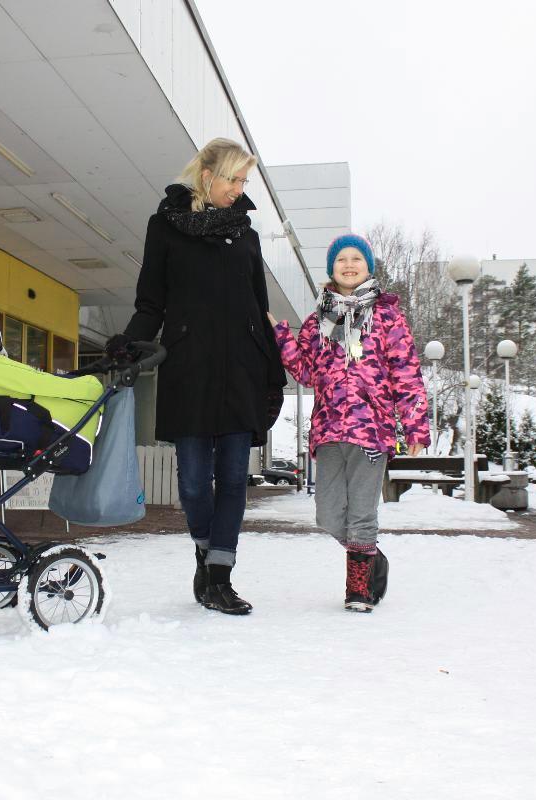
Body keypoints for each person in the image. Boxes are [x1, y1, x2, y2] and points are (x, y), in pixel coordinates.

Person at [107, 138, 286, 616]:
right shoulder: (164, 227)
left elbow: (259, 306)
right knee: (191, 483)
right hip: (189, 368)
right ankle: (206, 554)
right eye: (233, 178)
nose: (239, 189)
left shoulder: (246, 235)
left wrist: (271, 362)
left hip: (241, 369)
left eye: (244, 181)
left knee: (231, 478)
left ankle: (220, 576)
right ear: (207, 176)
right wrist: (129, 343)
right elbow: (151, 301)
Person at [269, 234, 430, 612]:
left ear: (368, 267)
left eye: (357, 258)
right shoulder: (316, 321)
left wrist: (415, 425)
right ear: (331, 269)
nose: (349, 263)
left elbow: (406, 373)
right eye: (341, 259)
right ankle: (371, 556)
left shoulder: (388, 317)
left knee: (361, 512)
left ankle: (358, 588)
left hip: (371, 432)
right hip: (328, 431)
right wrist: (283, 338)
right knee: (327, 515)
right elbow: (307, 373)